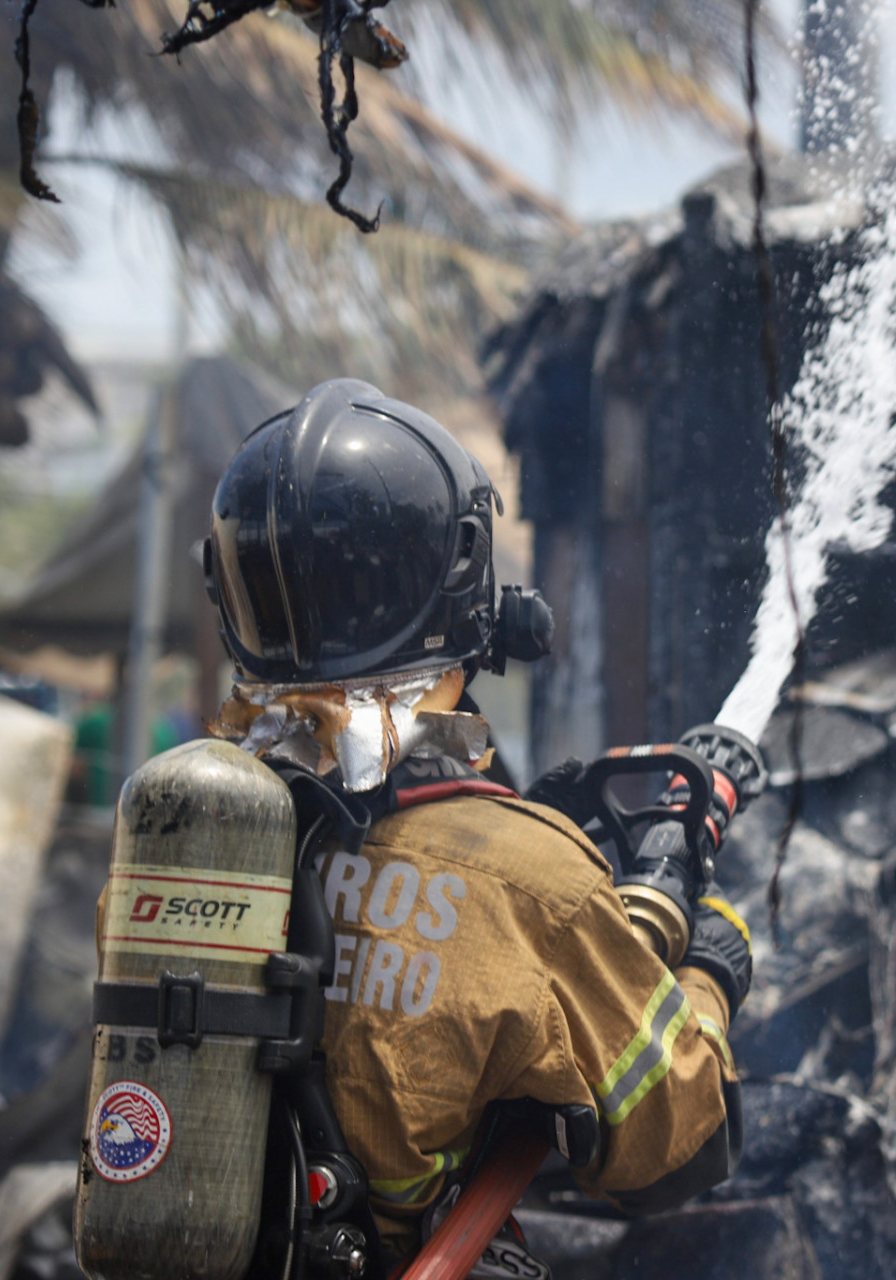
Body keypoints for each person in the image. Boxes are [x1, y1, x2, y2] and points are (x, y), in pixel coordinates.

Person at [202, 379, 754, 1278]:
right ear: (461, 584)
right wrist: (708, 978)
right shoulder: (531, 884)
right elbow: (675, 1153)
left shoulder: (184, 834)